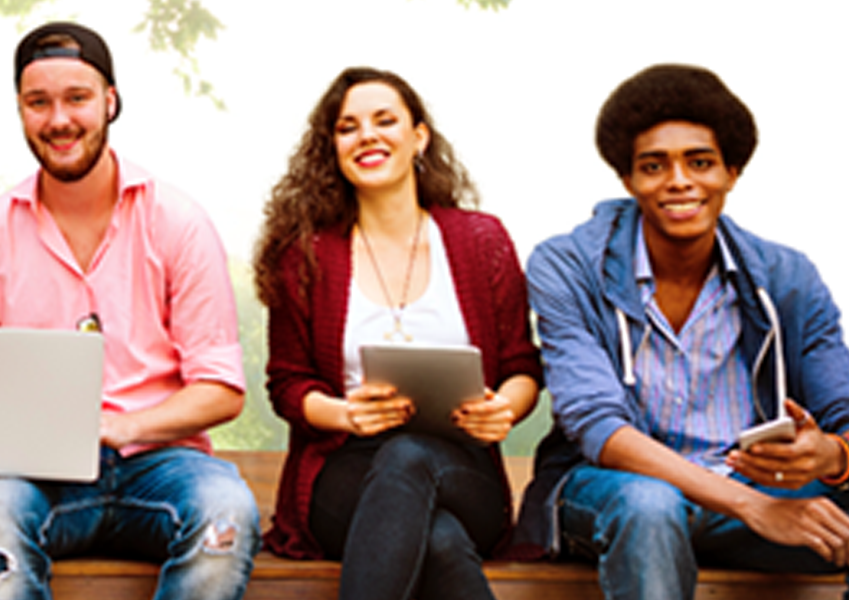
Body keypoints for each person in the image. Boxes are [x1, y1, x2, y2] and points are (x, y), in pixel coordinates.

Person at [515, 63, 849, 599]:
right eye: (653, 166)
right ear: (627, 179)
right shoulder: (568, 264)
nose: (678, 181)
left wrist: (829, 457)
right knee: (652, 507)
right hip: (616, 492)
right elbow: (598, 426)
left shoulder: (787, 277)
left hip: (748, 493)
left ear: (731, 173)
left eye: (700, 162)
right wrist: (751, 505)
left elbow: (843, 414)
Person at [0, 22, 259, 600]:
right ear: (20, 110)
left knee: (228, 513)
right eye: (38, 102)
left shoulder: (178, 221)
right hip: (41, 475)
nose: (59, 120)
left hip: (165, 464)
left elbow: (221, 389)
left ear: (110, 102)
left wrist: (121, 427)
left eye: (77, 98)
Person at [251, 67, 542, 600]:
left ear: (419, 137)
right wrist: (343, 413)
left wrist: (503, 408)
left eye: (385, 120)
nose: (367, 136)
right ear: (333, 146)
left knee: (411, 458)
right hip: (342, 470)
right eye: (348, 127)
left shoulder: (481, 241)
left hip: (462, 470)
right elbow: (287, 385)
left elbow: (523, 367)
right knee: (441, 541)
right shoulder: (307, 256)